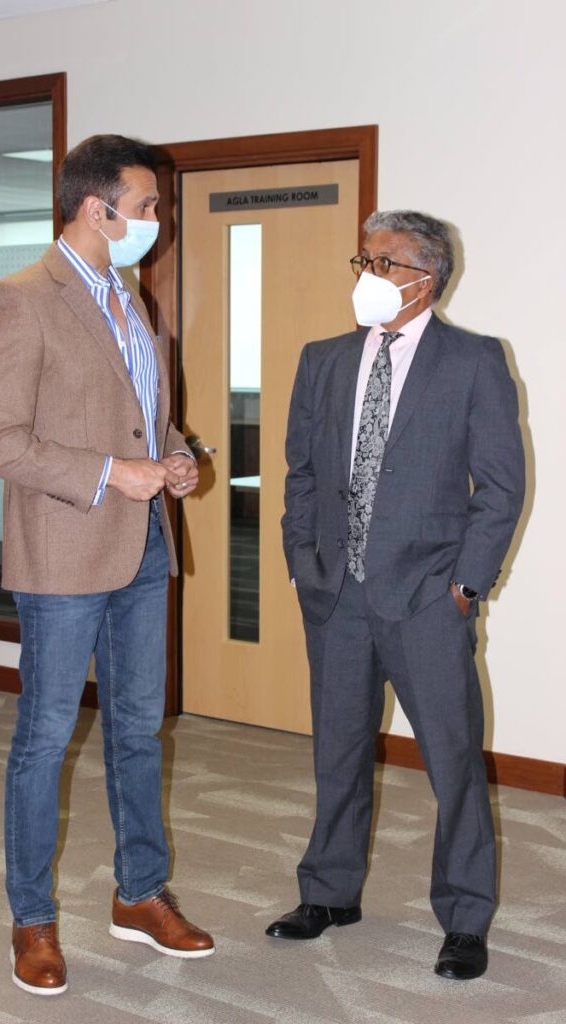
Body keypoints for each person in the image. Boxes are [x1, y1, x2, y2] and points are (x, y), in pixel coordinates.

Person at [0, 134, 214, 997]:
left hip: (145, 548)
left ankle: (139, 894)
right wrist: (116, 474)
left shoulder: (133, 298)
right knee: (44, 741)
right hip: (63, 553)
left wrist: (177, 459)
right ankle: (31, 918)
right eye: (147, 208)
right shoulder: (21, 299)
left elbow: (147, 421)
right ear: (94, 208)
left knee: (138, 732)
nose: (157, 222)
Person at [266, 210, 525, 981]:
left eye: (385, 262)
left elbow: (500, 490)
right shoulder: (323, 359)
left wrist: (466, 585)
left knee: (452, 763)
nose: (368, 276)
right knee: (337, 753)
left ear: (426, 277)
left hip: (426, 599)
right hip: (335, 595)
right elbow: (300, 474)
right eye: (364, 260)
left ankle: (464, 916)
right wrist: (300, 560)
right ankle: (329, 891)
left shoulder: (474, 361)